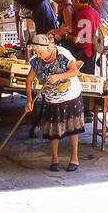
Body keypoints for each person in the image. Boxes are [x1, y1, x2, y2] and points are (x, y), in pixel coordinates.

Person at [25, 33, 84, 172]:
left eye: (40, 52)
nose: (38, 55)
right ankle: (54, 159)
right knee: (53, 129)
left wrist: (58, 76)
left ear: (48, 48)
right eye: (36, 52)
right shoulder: (36, 60)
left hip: (70, 94)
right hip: (51, 98)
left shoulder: (62, 54)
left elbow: (75, 71)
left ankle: (74, 158)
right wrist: (29, 100)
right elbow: (29, 80)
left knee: (72, 127)